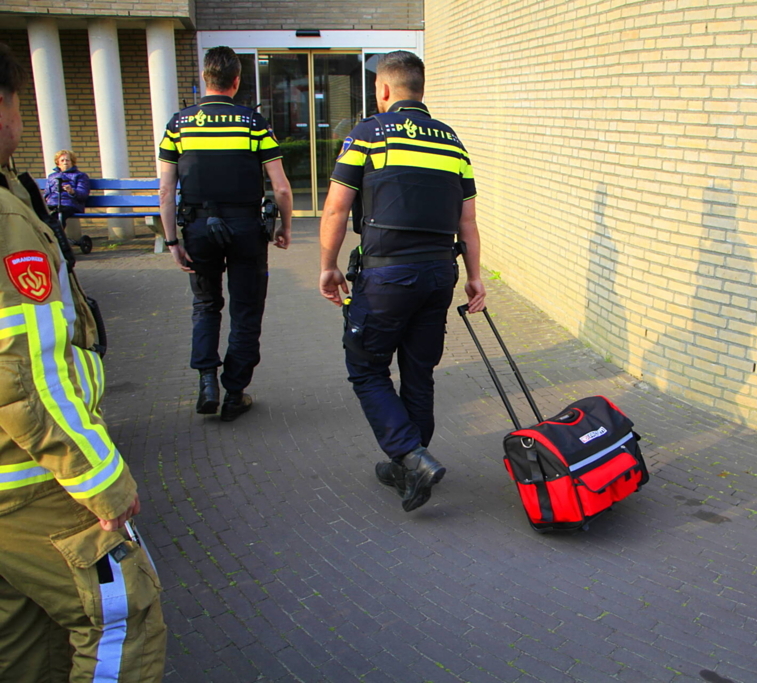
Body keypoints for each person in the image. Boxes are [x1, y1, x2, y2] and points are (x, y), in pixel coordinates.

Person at [0, 43, 166, 681]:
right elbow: (29, 376)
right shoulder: (7, 219)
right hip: (35, 484)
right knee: (124, 619)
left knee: (24, 645)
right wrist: (101, 478)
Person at [319, 50, 486, 512]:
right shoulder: (452, 142)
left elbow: (335, 207)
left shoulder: (367, 134)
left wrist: (327, 265)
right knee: (419, 371)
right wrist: (475, 278)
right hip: (439, 274)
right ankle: (409, 466)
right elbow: (467, 222)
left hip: (387, 275)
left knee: (366, 368)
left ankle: (411, 457)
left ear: (384, 90)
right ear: (421, 89)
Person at [158, 46, 293, 421]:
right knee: (246, 309)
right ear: (236, 81)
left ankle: (206, 382)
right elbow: (280, 187)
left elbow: (166, 191)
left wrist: (172, 241)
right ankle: (235, 392)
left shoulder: (178, 124)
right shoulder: (253, 122)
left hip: (198, 227)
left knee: (205, 305)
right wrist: (285, 226)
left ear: (205, 78)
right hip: (247, 228)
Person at [44, 148, 90, 226]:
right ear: (58, 163)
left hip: (70, 203)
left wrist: (72, 191)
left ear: (72, 162)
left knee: (58, 215)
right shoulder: (52, 176)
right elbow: (47, 193)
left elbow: (83, 194)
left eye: (67, 160)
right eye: (62, 160)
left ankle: (58, 237)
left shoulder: (80, 176)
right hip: (52, 203)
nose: (65, 162)